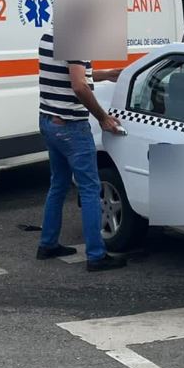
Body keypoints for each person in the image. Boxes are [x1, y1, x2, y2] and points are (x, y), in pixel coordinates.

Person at [37, 31, 128, 271]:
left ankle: (47, 244)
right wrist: (103, 117)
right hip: (71, 126)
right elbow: (78, 85)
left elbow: (73, 76)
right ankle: (96, 255)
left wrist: (106, 75)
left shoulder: (49, 34)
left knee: (58, 184)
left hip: (49, 120)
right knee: (91, 189)